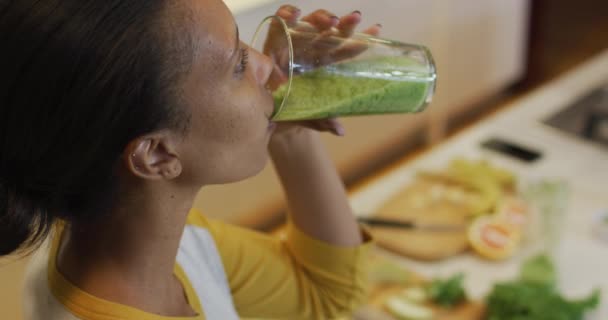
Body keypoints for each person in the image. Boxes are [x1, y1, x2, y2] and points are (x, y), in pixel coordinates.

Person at [0, 1, 381, 319]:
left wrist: (289, 119)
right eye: (237, 65)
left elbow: (325, 295)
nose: (265, 63)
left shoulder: (133, 242)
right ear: (157, 154)